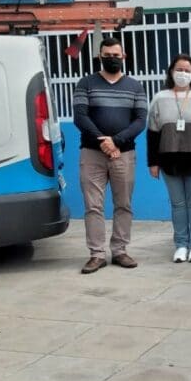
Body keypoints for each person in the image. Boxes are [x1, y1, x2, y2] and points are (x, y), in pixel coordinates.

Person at [73, 37, 148, 274]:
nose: (112, 59)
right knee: (93, 206)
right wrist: (103, 142)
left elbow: (140, 120)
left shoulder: (135, 86)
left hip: (123, 154)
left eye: (116, 55)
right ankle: (96, 254)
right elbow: (80, 116)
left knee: (123, 204)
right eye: (107, 55)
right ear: (100, 56)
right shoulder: (85, 83)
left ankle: (120, 251)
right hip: (92, 153)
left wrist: (116, 141)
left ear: (123, 56)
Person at [146, 54, 191, 263]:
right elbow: (152, 133)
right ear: (171, 71)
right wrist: (152, 163)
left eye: (188, 71)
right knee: (177, 204)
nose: (183, 74)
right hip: (169, 160)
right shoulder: (160, 98)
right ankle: (180, 244)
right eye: (179, 69)